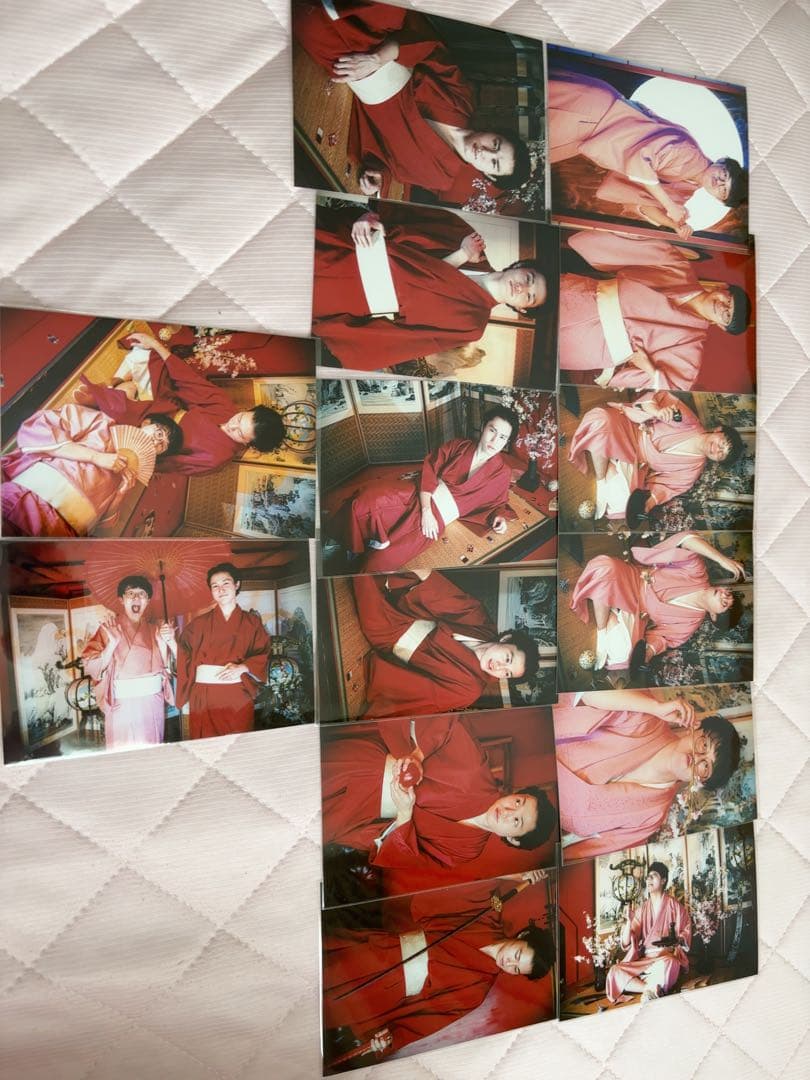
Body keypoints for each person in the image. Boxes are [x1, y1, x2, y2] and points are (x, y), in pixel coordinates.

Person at [294, 1, 532, 207]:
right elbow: (430, 48)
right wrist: (376, 58)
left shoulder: (440, 177)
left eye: (494, 163)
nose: (486, 152)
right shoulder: (462, 98)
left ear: (489, 176)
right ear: (494, 132)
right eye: (495, 144)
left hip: (356, 75)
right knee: (390, 11)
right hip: (381, 51)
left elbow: (393, 166)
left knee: (310, 23)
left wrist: (380, 177)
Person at [323, 873, 554, 1067]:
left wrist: (389, 1039)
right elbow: (478, 882)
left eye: (516, 969)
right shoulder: (487, 916)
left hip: (387, 990)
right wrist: (518, 877)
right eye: (517, 955)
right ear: (522, 935)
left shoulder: (477, 990)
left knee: (329, 1007)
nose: (509, 964)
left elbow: (425, 1021)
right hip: (381, 950)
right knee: (326, 968)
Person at [313, 201, 546, 370]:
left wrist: (462, 255)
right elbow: (397, 213)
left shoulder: (473, 326)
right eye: (529, 279)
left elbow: (401, 339)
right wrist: (367, 216)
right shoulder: (466, 235)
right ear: (521, 265)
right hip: (346, 240)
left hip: (346, 295)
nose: (522, 288)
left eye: (530, 297)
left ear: (522, 309)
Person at [323, 714, 556, 878]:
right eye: (518, 802)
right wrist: (417, 756)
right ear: (515, 794)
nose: (508, 812)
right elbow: (447, 723)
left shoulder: (468, 849)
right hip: (365, 766)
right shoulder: (476, 768)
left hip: (360, 815)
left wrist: (404, 813)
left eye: (517, 821)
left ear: (513, 839)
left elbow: (410, 860)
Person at [548, 70, 747, 237]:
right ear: (721, 161)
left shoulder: (688, 187)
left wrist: (675, 225)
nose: (719, 183)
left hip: (588, 135)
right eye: (724, 175)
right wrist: (670, 206)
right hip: (596, 113)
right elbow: (640, 161)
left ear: (718, 200)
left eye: (723, 190)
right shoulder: (690, 154)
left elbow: (645, 205)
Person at [554, 690, 741, 860]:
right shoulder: (648, 718)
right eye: (704, 745)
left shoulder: (653, 816)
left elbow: (580, 853)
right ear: (694, 728)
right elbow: (583, 695)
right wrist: (654, 707)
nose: (697, 757)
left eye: (705, 766)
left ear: (701, 782)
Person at [331, 406, 520, 572]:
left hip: (437, 519)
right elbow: (430, 469)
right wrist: (426, 510)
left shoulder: (502, 473)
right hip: (420, 493)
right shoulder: (460, 445)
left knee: (379, 561)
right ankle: (346, 542)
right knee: (365, 501)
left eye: (502, 437)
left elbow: (499, 503)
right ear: (483, 426)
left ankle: (368, 546)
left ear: (507, 442)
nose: (494, 440)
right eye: (492, 430)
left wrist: (499, 518)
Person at [559, 230, 751, 390]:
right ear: (722, 288)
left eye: (727, 315)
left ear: (721, 326)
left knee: (546, 347)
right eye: (728, 300)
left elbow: (677, 386)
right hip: (584, 297)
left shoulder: (691, 345)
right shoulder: (678, 267)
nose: (723, 307)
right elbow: (632, 245)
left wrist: (650, 369)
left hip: (593, 346)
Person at [74, 332, 285, 475]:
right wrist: (155, 344)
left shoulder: (216, 458)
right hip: (164, 407)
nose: (232, 425)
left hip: (153, 436)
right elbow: (189, 382)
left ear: (248, 444)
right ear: (246, 410)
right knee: (149, 354)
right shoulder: (226, 408)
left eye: (239, 433)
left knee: (121, 409)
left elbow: (169, 464)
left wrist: (137, 454)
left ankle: (109, 392)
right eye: (240, 419)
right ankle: (115, 384)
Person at [348, 569, 539, 720]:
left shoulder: (469, 690)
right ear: (505, 639)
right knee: (403, 569)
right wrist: (424, 573)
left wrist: (385, 665)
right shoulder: (483, 625)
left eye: (507, 673)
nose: (499, 667)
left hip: (391, 634)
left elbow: (418, 692)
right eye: (507, 659)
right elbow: (450, 599)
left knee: (362, 576)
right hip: (412, 612)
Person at [570, 530, 746, 671]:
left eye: (724, 604)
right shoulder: (698, 573)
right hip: (633, 580)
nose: (724, 595)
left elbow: (662, 639)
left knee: (624, 656)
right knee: (605, 568)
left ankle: (608, 606)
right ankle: (602, 630)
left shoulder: (690, 624)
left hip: (635, 612)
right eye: (728, 594)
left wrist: (648, 652)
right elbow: (686, 539)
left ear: (714, 616)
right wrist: (723, 560)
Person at [1, 403, 181, 537]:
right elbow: (42, 426)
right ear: (146, 423)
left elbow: (102, 526)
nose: (156, 442)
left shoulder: (132, 475)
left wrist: (121, 493)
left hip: (63, 531)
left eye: (161, 446)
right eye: (159, 434)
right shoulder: (101, 423)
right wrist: (95, 457)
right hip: (32, 496)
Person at [568, 390, 744, 519]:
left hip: (637, 462)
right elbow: (651, 399)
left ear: (717, 461)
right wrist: (657, 412)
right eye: (722, 444)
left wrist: (648, 504)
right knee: (601, 421)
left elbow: (665, 488)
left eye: (721, 454)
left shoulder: (693, 470)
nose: (717, 449)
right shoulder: (688, 420)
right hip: (632, 429)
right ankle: (601, 480)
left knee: (623, 505)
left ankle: (608, 458)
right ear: (718, 430)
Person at [172, 563, 270, 739]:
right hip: (204, 696)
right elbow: (183, 654)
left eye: (226, 583)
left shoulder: (252, 623)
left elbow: (263, 653)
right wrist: (169, 641)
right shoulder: (198, 624)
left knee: (238, 744)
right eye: (215, 586)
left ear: (237, 584)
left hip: (237, 695)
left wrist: (243, 667)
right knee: (206, 745)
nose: (221, 589)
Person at [81, 575, 175, 750]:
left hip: (151, 702)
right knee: (123, 750)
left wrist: (165, 643)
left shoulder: (156, 629)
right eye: (130, 593)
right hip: (121, 703)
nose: (136, 598)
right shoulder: (108, 628)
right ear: (121, 599)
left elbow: (166, 669)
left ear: (148, 600)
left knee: (151, 748)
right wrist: (112, 644)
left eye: (142, 594)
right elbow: (91, 667)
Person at [605, 862, 691, 1003]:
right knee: (614, 971)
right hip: (644, 961)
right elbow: (626, 943)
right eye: (648, 876)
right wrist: (629, 921)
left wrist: (678, 939)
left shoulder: (675, 906)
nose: (649, 879)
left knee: (671, 963)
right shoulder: (642, 909)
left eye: (654, 875)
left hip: (664, 959)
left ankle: (646, 987)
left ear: (663, 880)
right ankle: (649, 988)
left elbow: (686, 930)